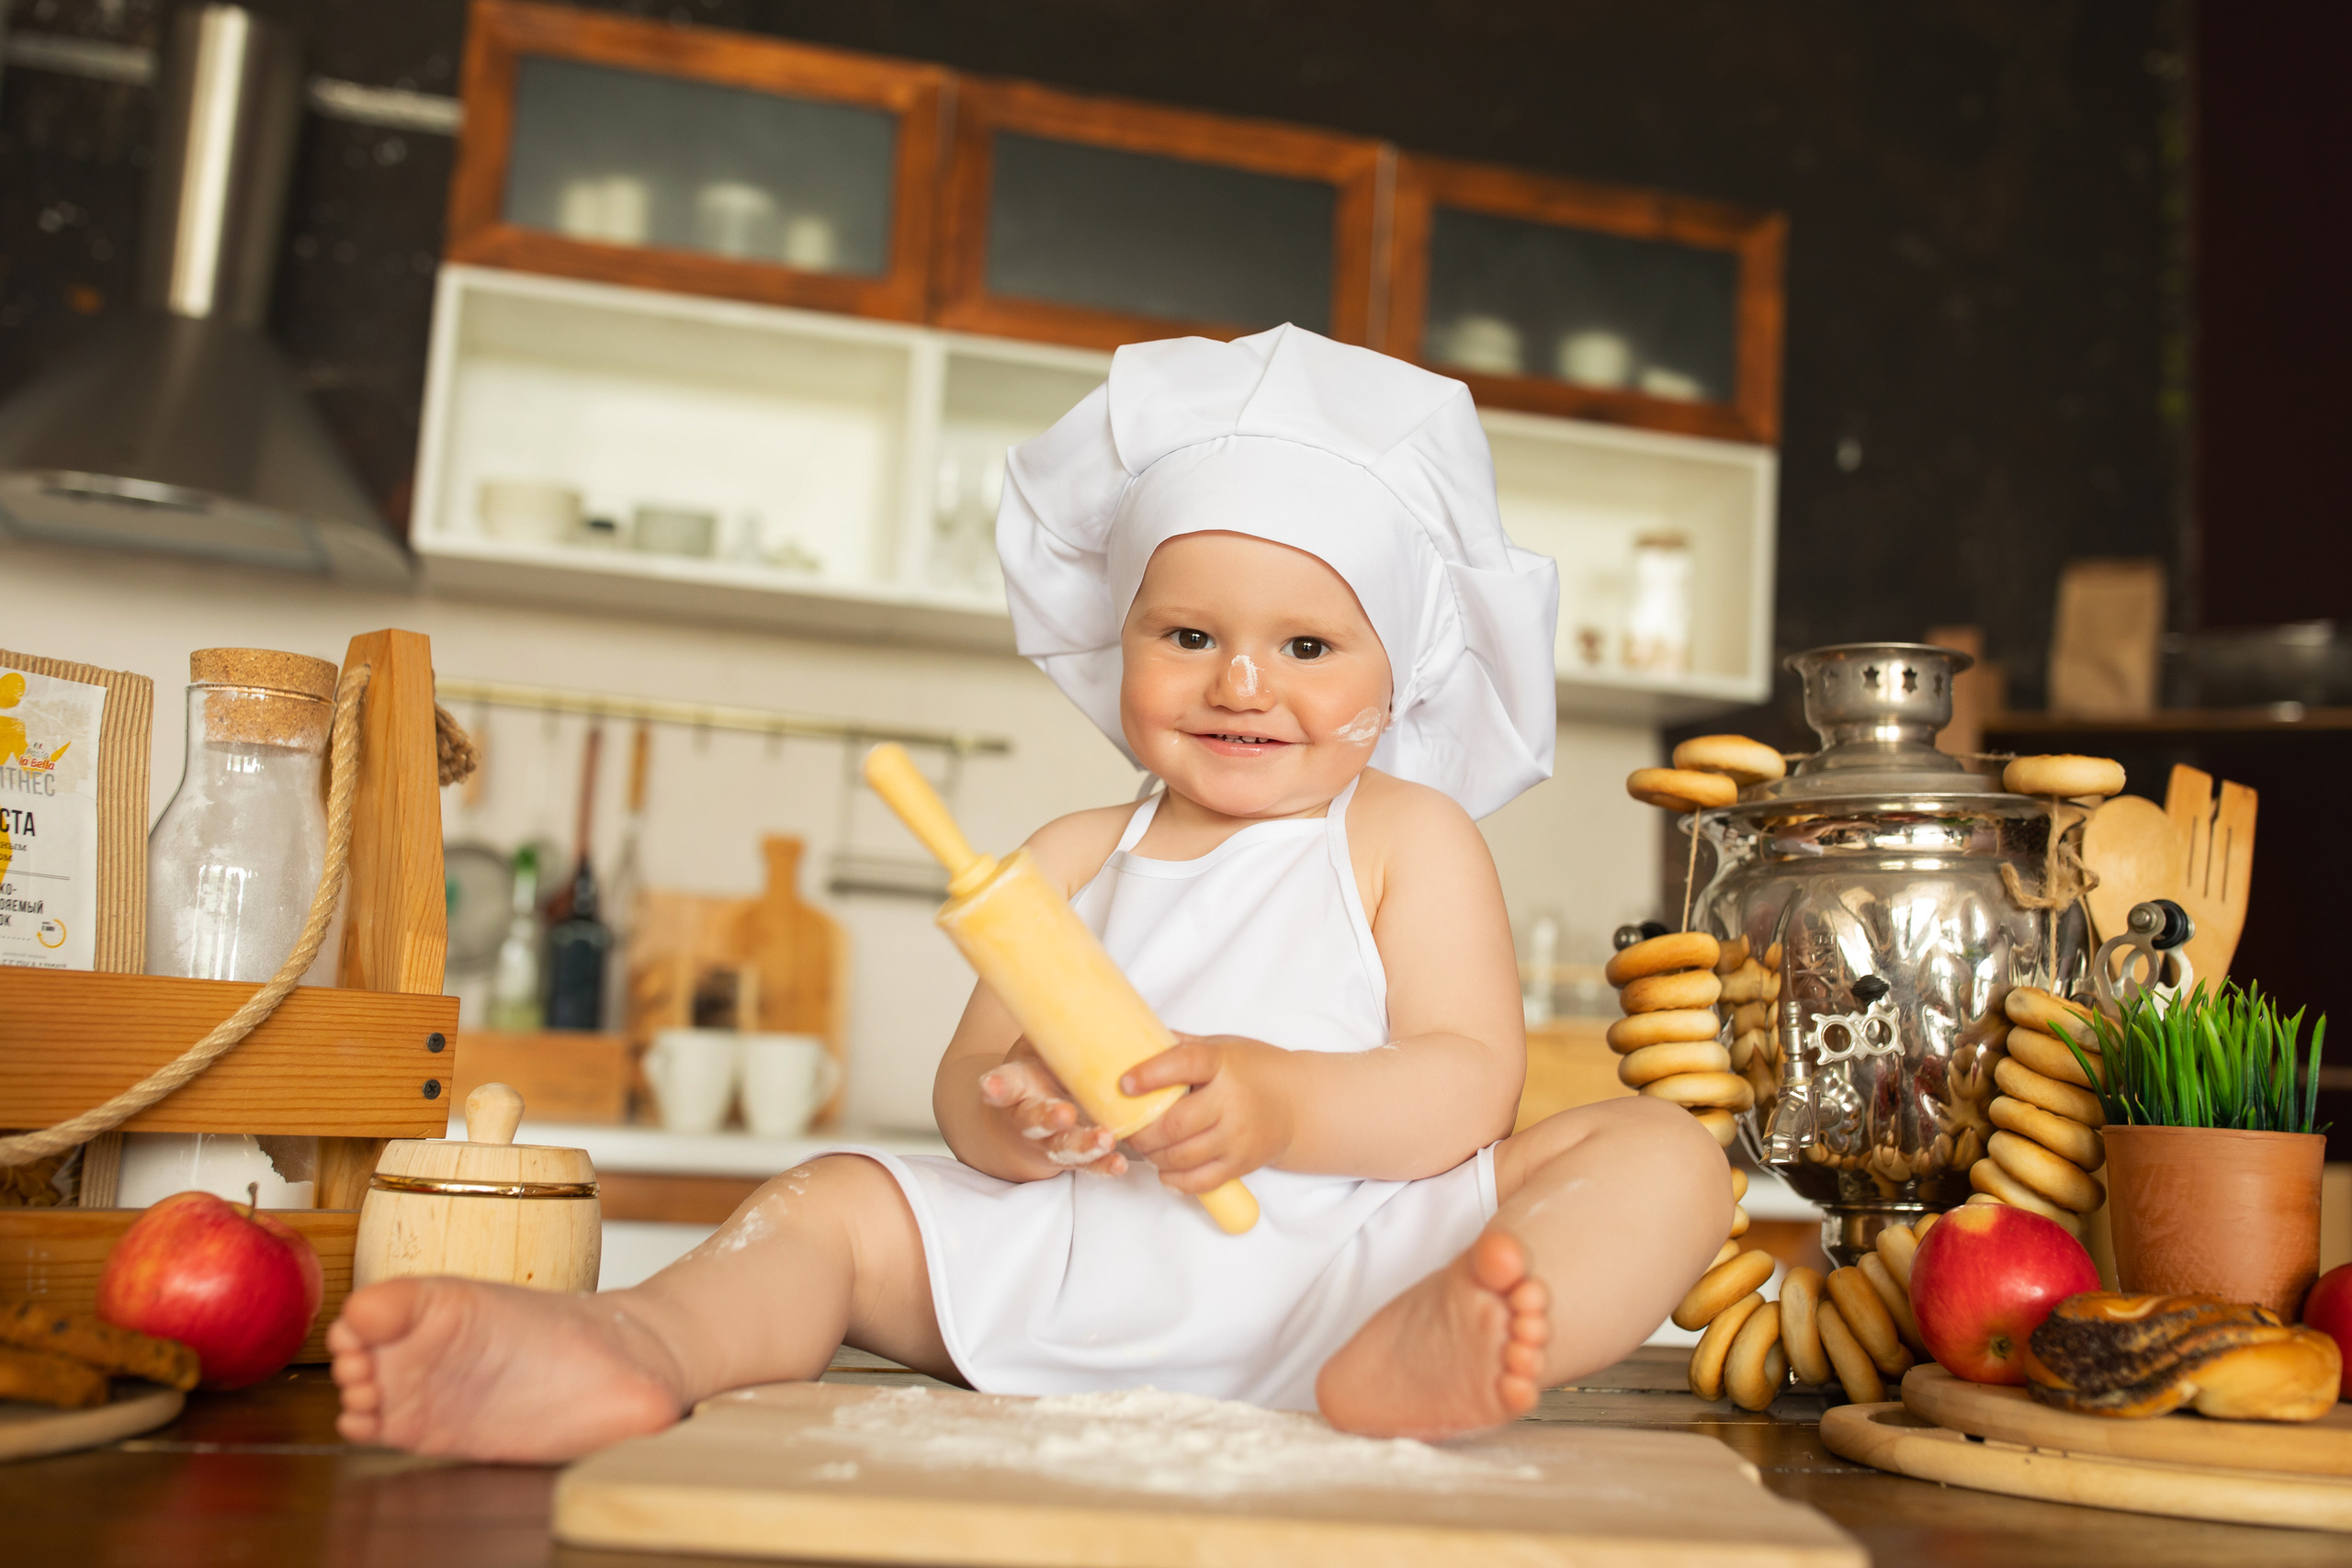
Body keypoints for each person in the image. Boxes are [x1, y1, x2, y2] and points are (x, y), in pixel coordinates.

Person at [328, 325, 1730, 1462]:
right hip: (1078, 1254)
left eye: (1307, 643)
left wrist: (1278, 1101)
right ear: (1119, 641)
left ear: (1399, 675)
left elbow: (1466, 1088)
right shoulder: (1068, 856)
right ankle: (635, 1346)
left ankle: (1436, 1349)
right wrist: (1020, 1120)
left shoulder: (1404, 836)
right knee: (824, 1199)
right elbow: (964, 1091)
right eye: (1189, 635)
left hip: (1355, 1267)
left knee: (1667, 1157)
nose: (1243, 682)